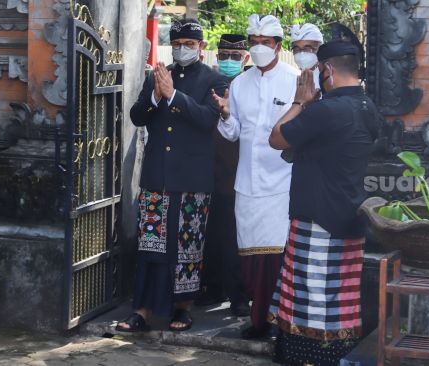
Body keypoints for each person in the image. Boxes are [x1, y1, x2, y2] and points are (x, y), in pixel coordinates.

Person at [267, 39, 381, 366]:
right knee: (338, 300)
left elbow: (276, 138)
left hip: (317, 218)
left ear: (327, 70)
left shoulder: (325, 110)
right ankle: (335, 358)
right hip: (348, 214)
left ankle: (309, 359)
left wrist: (299, 102)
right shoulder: (366, 107)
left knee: (310, 297)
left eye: (319, 69)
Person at [117, 18, 227, 333]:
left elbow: (208, 120)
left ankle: (182, 308)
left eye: (189, 45)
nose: (182, 50)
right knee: (150, 245)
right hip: (157, 177)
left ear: (201, 47)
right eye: (177, 44)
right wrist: (156, 94)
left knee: (186, 248)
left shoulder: (213, 80)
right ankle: (141, 311)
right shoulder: (158, 75)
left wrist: (174, 96)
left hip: (192, 180)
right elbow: (137, 116)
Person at [211, 14, 298, 339]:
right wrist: (224, 113)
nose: (259, 47)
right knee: (249, 254)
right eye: (255, 42)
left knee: (277, 255)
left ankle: (279, 320)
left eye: (266, 42)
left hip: (282, 184)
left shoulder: (294, 79)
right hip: (246, 183)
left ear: (278, 45)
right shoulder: (239, 83)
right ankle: (258, 318)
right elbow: (233, 132)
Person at [197, 34, 250, 317]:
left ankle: (238, 295)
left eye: (235, 56)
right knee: (211, 236)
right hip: (208, 172)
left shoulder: (249, 87)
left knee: (235, 239)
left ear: (245, 59)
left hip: (239, 174)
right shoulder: (208, 82)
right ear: (216, 56)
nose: (229, 61)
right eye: (225, 55)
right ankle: (212, 288)